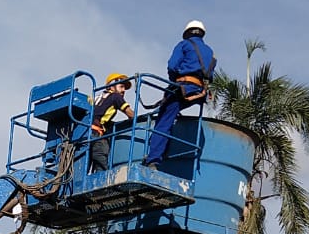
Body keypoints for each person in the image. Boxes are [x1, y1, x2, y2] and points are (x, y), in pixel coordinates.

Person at [143, 19, 216, 170]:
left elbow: (172, 65)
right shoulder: (210, 52)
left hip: (184, 87)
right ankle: (161, 152)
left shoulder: (184, 45)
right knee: (172, 111)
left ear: (187, 33)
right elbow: (211, 75)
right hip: (200, 92)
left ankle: (154, 159)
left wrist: (174, 81)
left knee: (164, 119)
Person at [88, 73, 136, 172]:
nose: (123, 91)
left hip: (86, 132)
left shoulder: (97, 97)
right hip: (96, 134)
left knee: (85, 164)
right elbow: (130, 114)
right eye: (121, 86)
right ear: (111, 86)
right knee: (101, 162)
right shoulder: (115, 96)